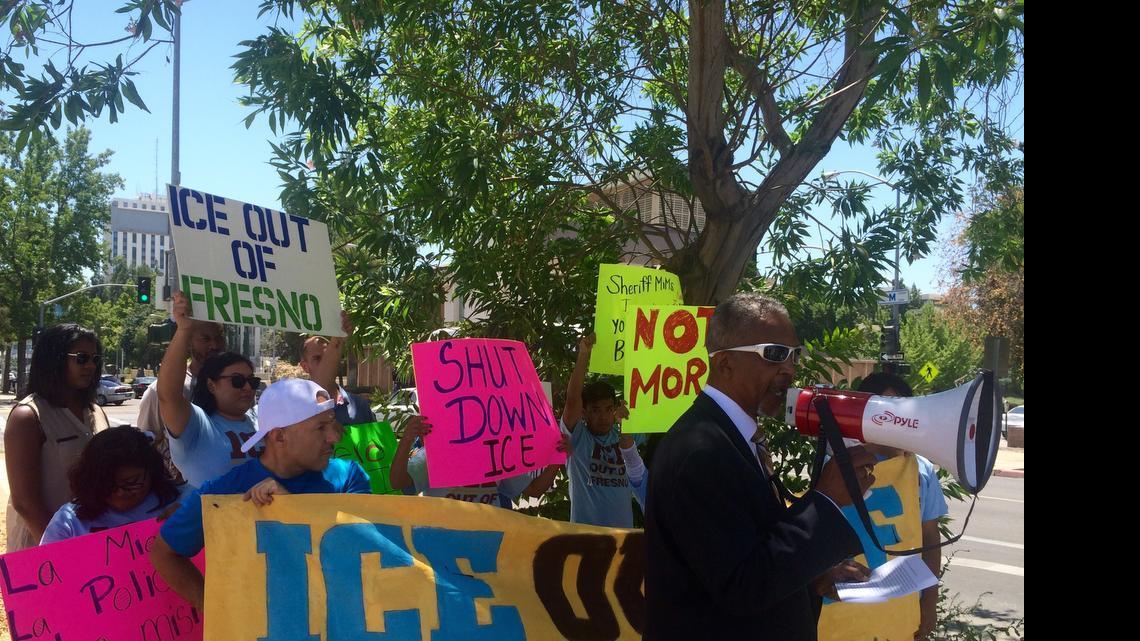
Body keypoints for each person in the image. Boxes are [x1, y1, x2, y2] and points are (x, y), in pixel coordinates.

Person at [644, 293, 879, 641]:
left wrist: (813, 576)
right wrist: (826, 499)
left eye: (794, 355)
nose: (790, 368)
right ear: (724, 364)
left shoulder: (729, 437)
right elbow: (743, 586)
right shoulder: (700, 451)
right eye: (773, 354)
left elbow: (750, 553)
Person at [150, 378, 371, 609]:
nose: (334, 437)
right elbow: (164, 554)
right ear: (279, 436)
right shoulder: (225, 491)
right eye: (320, 428)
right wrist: (218, 614)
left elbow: (365, 549)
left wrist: (292, 509)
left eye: (331, 424)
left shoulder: (349, 477)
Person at [855, 372, 947, 641]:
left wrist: (929, 602)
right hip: (846, 610)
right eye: (884, 409)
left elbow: (930, 539)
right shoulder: (840, 463)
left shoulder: (922, 470)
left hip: (901, 607)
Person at [4, 324, 110, 551]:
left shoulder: (95, 411)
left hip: (93, 543)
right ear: (54, 360)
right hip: (44, 550)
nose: (91, 365)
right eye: (81, 358)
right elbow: (25, 503)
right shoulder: (28, 416)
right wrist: (60, 553)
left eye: (95, 358)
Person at [157, 291, 259, 487]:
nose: (247, 387)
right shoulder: (197, 424)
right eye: (237, 381)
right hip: (209, 517)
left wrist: (335, 344)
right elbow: (168, 395)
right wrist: (184, 330)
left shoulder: (260, 418)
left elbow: (317, 398)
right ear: (212, 385)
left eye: (252, 381)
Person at [560, 333, 647, 528]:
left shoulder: (624, 434)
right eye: (596, 410)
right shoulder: (577, 437)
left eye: (608, 409)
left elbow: (656, 405)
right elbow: (572, 400)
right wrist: (584, 354)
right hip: (585, 539)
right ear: (584, 412)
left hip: (622, 540)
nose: (603, 417)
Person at [40, 426, 184, 543]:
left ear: (151, 471)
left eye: (132, 482)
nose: (120, 492)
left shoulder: (182, 502)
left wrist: (194, 519)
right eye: (108, 484)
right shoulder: (69, 522)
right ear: (91, 482)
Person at [389, 416, 570, 507]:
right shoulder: (433, 456)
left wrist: (558, 457)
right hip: (442, 553)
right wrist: (406, 439)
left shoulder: (497, 455)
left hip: (487, 552)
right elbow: (398, 482)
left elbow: (535, 491)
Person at [136, 316, 225, 485]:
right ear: (188, 341)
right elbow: (144, 444)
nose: (214, 345)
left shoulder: (237, 388)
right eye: (205, 338)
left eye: (219, 337)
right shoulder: (159, 392)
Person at [297, 323, 376, 427]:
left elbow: (376, 442)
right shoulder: (296, 410)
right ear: (305, 366)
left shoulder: (360, 406)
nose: (326, 363)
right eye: (317, 358)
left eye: (328, 357)